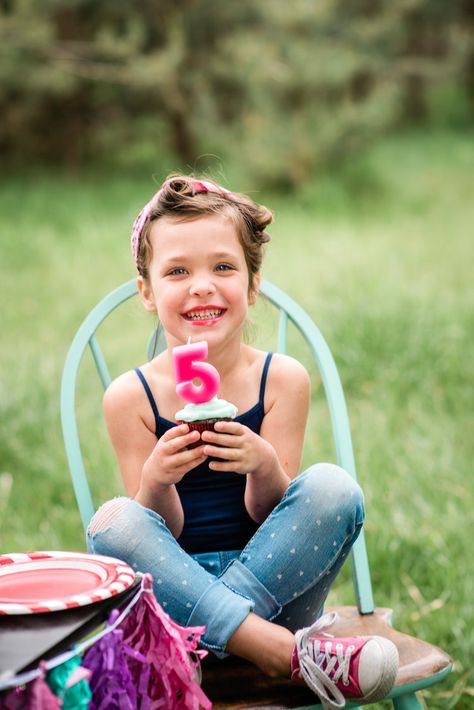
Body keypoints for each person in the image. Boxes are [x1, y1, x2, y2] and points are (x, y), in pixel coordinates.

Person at [87, 175, 398, 708]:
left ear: (253, 285)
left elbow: (273, 515)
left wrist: (263, 465)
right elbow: (156, 534)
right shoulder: (129, 397)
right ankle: (285, 654)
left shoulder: (282, 380)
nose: (202, 285)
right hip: (175, 593)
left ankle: (209, 644)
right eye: (177, 271)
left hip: (276, 589)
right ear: (147, 291)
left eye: (223, 267)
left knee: (332, 486)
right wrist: (158, 481)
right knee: (114, 520)